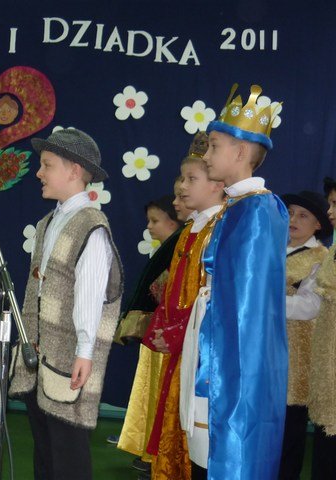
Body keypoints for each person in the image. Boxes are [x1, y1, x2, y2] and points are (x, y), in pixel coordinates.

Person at [180, 84, 288, 479]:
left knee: (224, 454)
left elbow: (247, 307)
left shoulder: (258, 210)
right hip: (216, 345)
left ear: (240, 152)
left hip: (231, 360)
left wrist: (219, 372)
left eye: (213, 147)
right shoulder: (237, 206)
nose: (206, 155)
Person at [8, 128, 123, 480]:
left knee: (67, 452)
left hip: (69, 358)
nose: (39, 173)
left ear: (74, 170)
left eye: (47, 165)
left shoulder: (92, 226)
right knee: (45, 450)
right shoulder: (48, 222)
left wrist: (85, 351)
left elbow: (90, 295)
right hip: (41, 355)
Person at [143, 132, 225, 480]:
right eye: (182, 177)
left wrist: (179, 333)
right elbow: (174, 288)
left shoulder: (220, 230)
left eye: (192, 178)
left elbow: (214, 296)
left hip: (202, 353)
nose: (182, 186)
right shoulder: (191, 229)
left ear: (217, 184)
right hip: (180, 348)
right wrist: (161, 328)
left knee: (198, 434)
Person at [117, 193, 186, 479]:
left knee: (162, 395)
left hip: (170, 335)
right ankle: (149, 449)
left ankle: (158, 455)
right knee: (152, 392)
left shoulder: (181, 245)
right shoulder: (172, 247)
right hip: (160, 331)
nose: (149, 226)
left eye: (155, 221)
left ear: (172, 221)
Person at [276, 190, 331, 480]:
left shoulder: (320, 257)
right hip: (263, 351)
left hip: (295, 357)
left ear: (318, 224)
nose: (293, 219)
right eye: (290, 213)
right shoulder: (271, 250)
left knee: (289, 432)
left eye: (303, 215)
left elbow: (311, 306)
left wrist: (266, 302)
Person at [307, 177, 336, 479]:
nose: (330, 211)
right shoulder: (334, 250)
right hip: (327, 361)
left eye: (335, 204)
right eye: (329, 204)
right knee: (325, 447)